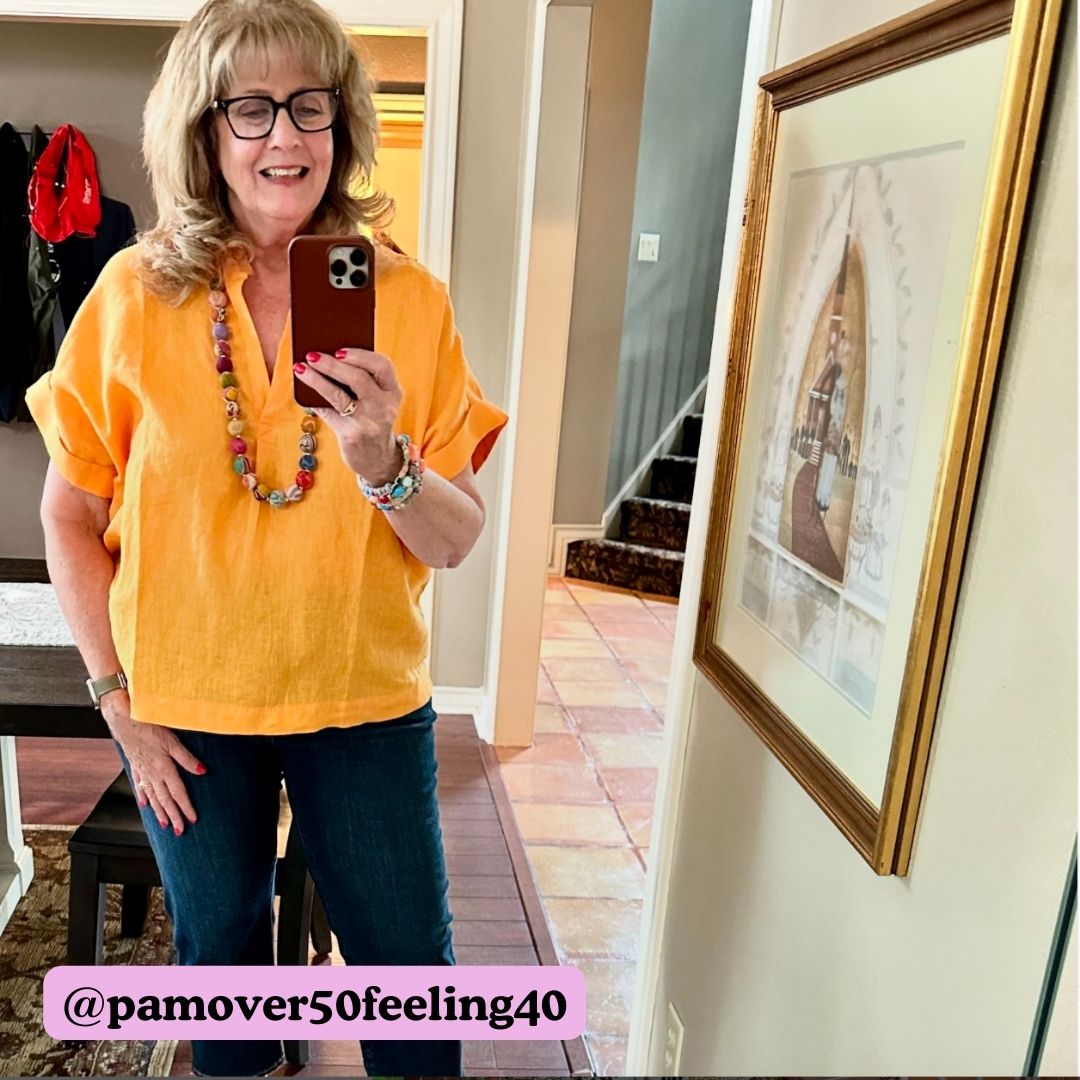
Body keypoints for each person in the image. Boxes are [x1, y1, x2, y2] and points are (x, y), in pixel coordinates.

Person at [24, 0, 507, 1074]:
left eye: (308, 106)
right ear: (205, 131)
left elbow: (456, 540)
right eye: (250, 109)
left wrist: (384, 462)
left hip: (364, 706)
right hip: (187, 712)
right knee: (223, 974)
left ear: (342, 126)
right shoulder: (136, 295)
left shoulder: (407, 302)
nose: (283, 137)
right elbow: (69, 512)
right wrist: (118, 707)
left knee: (409, 982)